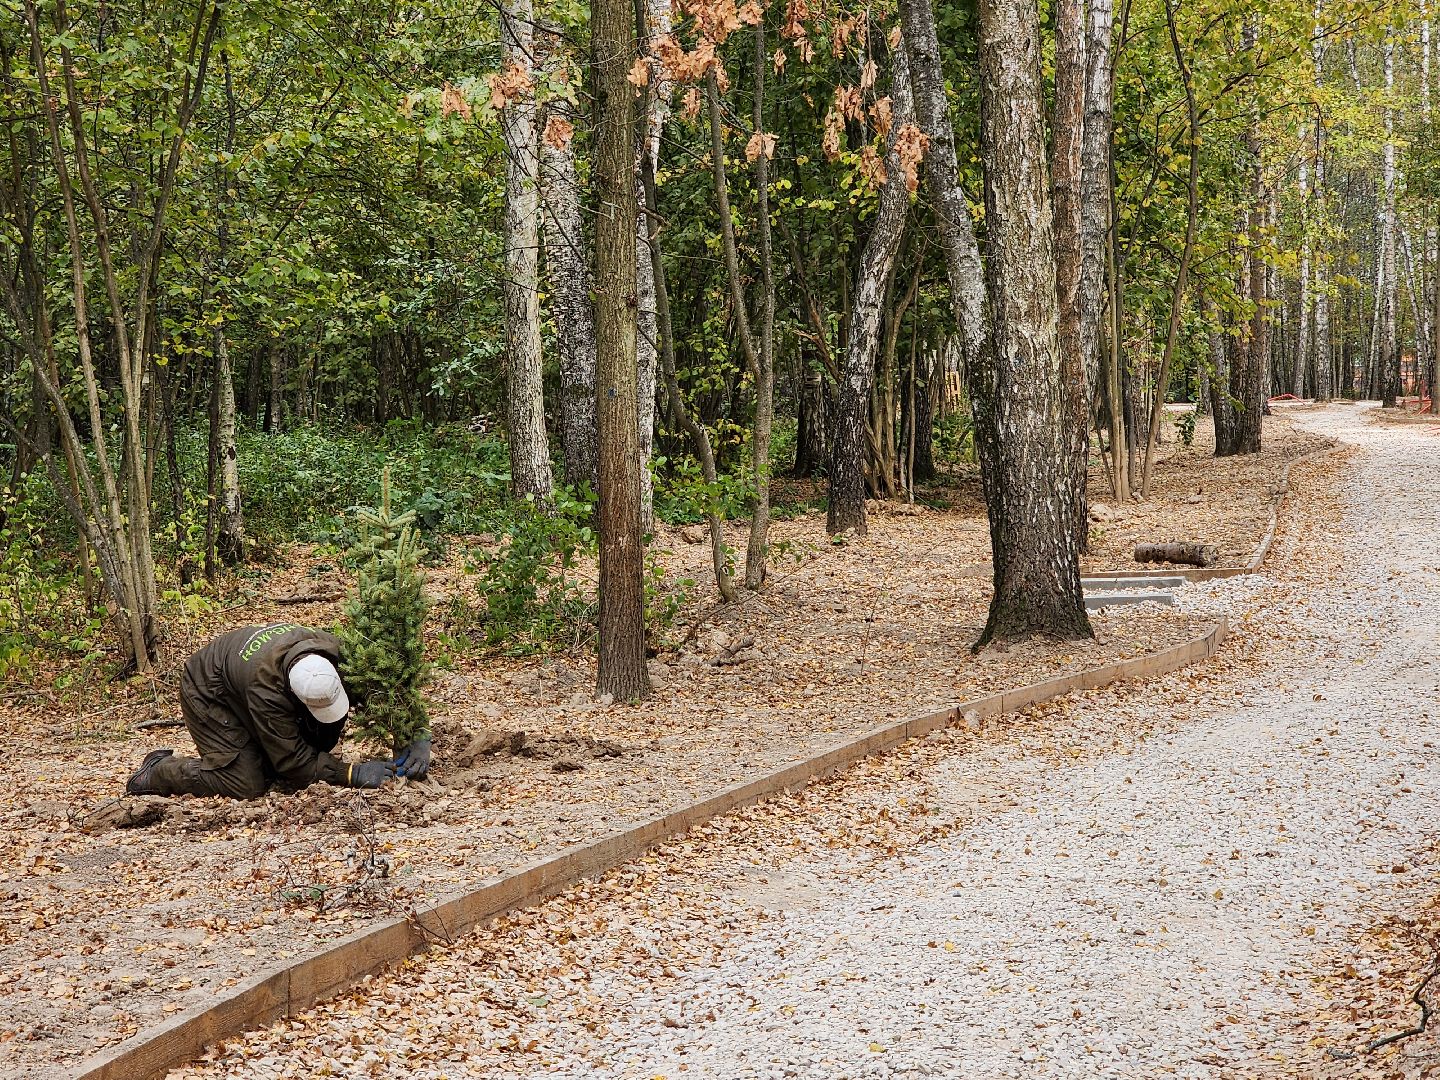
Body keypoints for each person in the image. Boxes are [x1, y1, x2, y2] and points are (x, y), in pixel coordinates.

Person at [125, 622, 432, 799]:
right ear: (292, 695)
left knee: (318, 739)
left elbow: (384, 682)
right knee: (246, 783)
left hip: (240, 674)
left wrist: (416, 731)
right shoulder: (266, 691)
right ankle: (157, 772)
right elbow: (293, 763)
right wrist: (352, 773)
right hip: (209, 689)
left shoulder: (333, 651)